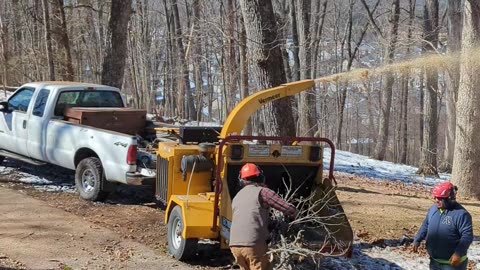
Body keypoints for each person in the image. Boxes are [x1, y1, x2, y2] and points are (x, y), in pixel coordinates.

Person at [229, 163, 298, 270]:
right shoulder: (263, 192)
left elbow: (251, 218)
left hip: (234, 245)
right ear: (260, 177)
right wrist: (295, 214)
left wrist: (270, 224)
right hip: (253, 244)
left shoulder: (237, 196)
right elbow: (288, 209)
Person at [412, 182, 473, 270]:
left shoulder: (461, 214)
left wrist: (458, 253)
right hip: (434, 261)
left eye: (440, 198)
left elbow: (467, 236)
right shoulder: (433, 209)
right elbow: (426, 225)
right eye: (436, 197)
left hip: (452, 265)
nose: (437, 200)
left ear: (450, 199)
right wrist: (417, 239)